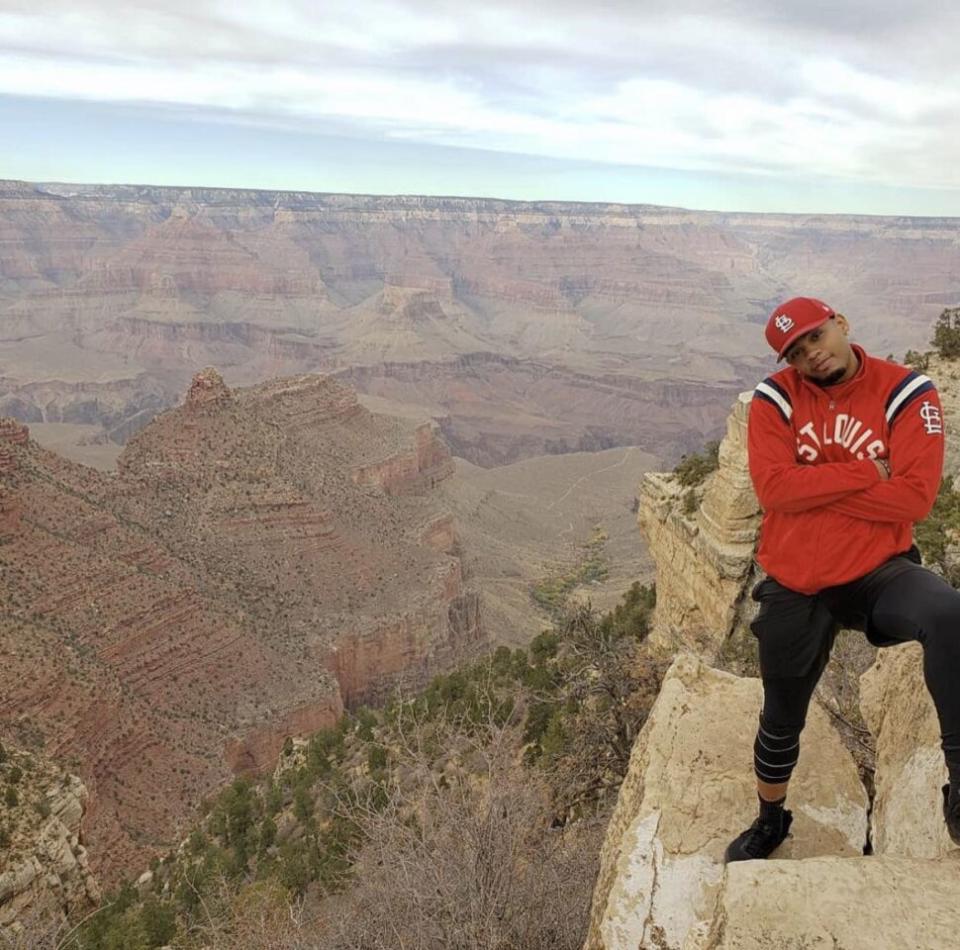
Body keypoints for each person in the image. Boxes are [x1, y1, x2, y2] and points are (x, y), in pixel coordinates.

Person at [725, 295, 960, 862]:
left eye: (815, 336)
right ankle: (770, 818)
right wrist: (866, 472)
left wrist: (816, 487)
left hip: (877, 572)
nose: (811, 353)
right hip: (797, 579)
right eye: (796, 349)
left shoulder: (907, 392)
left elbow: (916, 496)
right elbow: (774, 490)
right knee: (782, 712)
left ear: (841, 324)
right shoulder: (775, 398)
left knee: (950, 614)